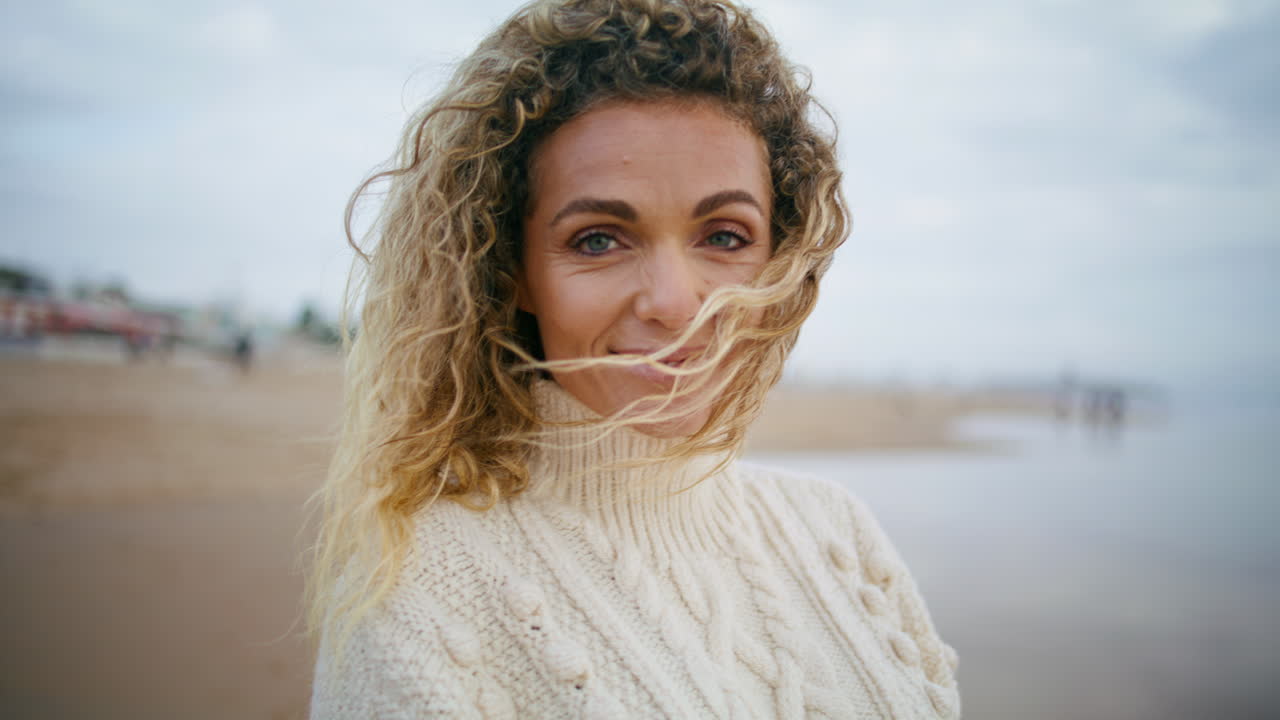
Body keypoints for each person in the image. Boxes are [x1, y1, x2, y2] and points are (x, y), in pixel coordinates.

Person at [307, 0, 960, 717]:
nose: (674, 304)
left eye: (725, 236)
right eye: (598, 240)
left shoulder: (840, 532)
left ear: (780, 254)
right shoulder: (422, 589)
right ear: (512, 268)